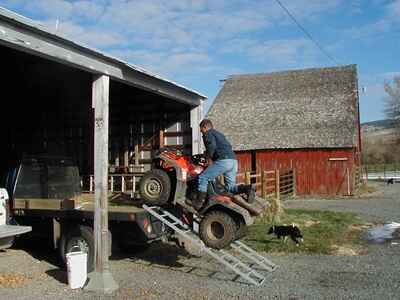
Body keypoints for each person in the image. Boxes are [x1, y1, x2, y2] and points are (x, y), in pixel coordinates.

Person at [190, 119, 254, 210]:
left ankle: (199, 203)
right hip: (233, 161)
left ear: (205, 127)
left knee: (203, 177)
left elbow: (211, 147)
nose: (201, 132)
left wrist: (207, 158)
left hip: (224, 160)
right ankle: (247, 188)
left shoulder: (208, 133)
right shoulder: (219, 134)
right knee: (230, 188)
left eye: (201, 130)